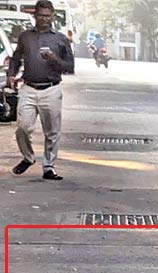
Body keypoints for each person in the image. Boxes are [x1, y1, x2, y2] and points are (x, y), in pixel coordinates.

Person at [5, 0, 74, 180]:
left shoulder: (60, 39)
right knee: (23, 127)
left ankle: (49, 167)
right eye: (41, 15)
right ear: (35, 15)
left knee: (52, 131)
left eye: (48, 16)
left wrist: (54, 60)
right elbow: (15, 58)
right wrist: (11, 75)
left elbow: (69, 67)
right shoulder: (25, 36)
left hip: (51, 89)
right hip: (28, 88)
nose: (44, 19)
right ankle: (28, 157)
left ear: (53, 16)